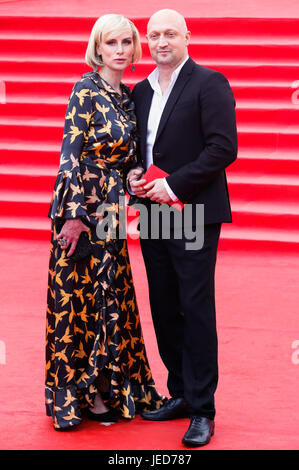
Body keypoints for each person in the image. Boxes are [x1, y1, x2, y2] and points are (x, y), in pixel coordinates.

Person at [45, 14, 165, 431]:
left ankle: (107, 390)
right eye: (110, 42)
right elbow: (70, 156)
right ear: (97, 48)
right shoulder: (85, 90)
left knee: (109, 299)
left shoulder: (129, 97)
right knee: (76, 301)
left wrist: (134, 177)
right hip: (82, 211)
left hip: (111, 213)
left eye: (126, 42)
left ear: (134, 49)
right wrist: (73, 217)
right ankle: (78, 397)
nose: (119, 49)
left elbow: (129, 160)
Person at [127, 9, 237, 447]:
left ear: (187, 36)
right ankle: (180, 394)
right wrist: (136, 174)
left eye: (169, 33)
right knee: (164, 304)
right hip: (151, 210)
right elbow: (141, 148)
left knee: (194, 306)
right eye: (153, 35)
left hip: (191, 208)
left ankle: (203, 409)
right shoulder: (140, 90)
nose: (160, 42)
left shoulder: (210, 83)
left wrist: (173, 185)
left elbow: (222, 148)